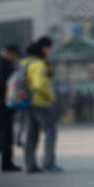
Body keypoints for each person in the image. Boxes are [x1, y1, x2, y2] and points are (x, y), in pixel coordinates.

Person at [21, 36, 62, 173]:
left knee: (31, 134)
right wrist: (51, 96)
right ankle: (48, 163)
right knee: (50, 132)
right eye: (49, 48)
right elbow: (40, 84)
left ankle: (30, 164)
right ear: (44, 48)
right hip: (41, 102)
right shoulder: (39, 64)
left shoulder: (26, 62)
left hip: (28, 102)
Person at [0, 44, 22, 172]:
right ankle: (7, 163)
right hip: (4, 107)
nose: (16, 58)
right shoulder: (5, 67)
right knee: (6, 135)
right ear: (9, 53)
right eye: (15, 55)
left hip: (4, 107)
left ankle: (7, 162)